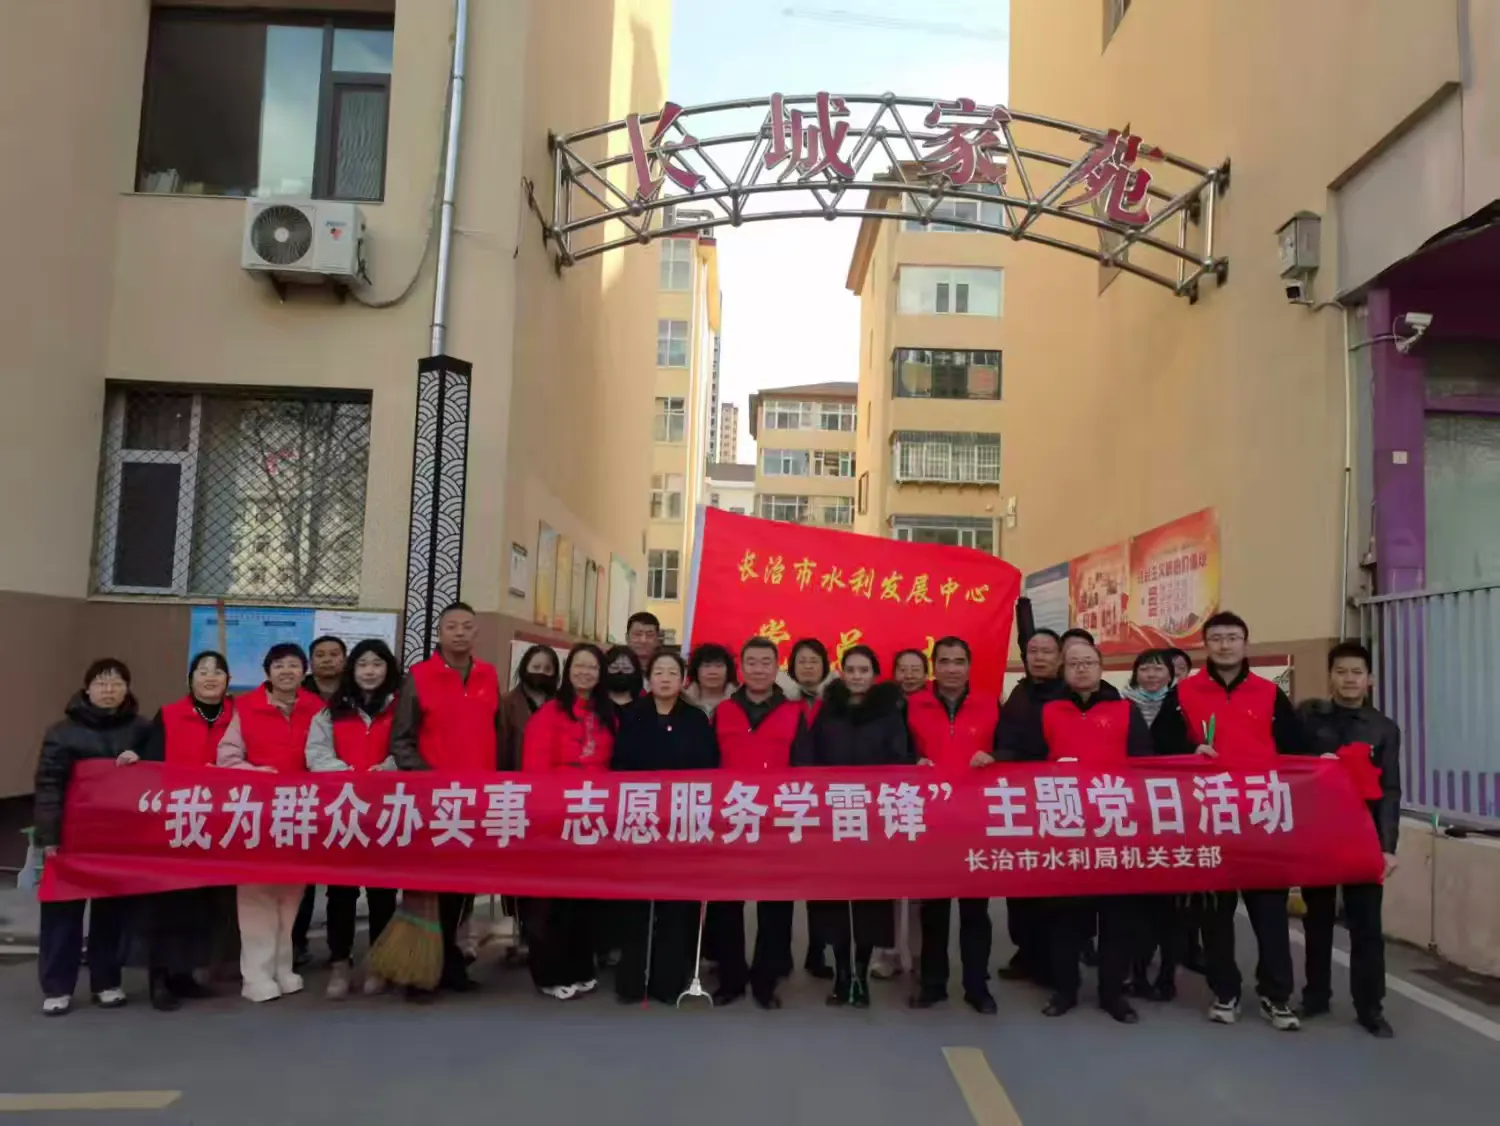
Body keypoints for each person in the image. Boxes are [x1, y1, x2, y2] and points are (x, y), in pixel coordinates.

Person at [1152, 611, 1312, 1030]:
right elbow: (1158, 747)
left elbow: (1297, 748)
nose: (1225, 645)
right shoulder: (1184, 693)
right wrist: (1189, 751)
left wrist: (1326, 764)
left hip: (1262, 819)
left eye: (1233, 637)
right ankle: (1225, 991)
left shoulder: (1269, 693)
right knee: (1215, 917)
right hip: (1210, 819)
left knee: (1270, 915)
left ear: (1245, 643)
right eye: (1217, 638)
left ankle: (1276, 995)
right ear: (1206, 645)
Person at [1010, 639, 1155, 1023]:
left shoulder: (1124, 710)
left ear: (1101, 667)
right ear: (1063, 668)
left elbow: (1146, 764)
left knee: (1116, 919)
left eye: (1088, 662)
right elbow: (1026, 764)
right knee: (1065, 919)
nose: (1081, 668)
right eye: (1073, 663)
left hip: (1115, 828)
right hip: (1066, 829)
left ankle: (1112, 994)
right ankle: (1065, 990)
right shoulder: (1047, 711)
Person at [389, 601, 502, 999]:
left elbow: (494, 732)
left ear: (476, 632)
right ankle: (418, 970)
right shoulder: (419, 677)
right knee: (426, 888)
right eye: (452, 626)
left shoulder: (489, 675)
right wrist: (429, 780)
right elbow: (401, 740)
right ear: (439, 633)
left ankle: (450, 963)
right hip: (433, 801)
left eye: (467, 626)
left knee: (462, 887)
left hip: (476, 802)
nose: (460, 633)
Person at [793, 646, 914, 1007]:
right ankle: (841, 973)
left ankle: (861, 976)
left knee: (870, 903)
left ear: (875, 675)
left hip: (874, 821)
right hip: (833, 819)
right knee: (832, 900)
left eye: (864, 670)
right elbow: (807, 759)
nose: (857, 676)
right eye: (851, 670)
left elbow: (901, 760)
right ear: (842, 673)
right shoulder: (827, 712)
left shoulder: (890, 714)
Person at [33, 659, 153, 1016]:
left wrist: (142, 759)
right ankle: (57, 987)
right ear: (87, 689)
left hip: (119, 838)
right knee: (62, 912)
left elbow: (160, 771)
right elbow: (49, 785)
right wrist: (49, 835)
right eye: (101, 683)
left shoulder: (142, 730)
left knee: (112, 913)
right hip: (72, 836)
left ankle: (107, 982)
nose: (109, 690)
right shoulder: (62, 732)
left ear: (127, 689)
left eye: (117, 683)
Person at [1295, 641, 1400, 1038]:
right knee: (1317, 920)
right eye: (1341, 671)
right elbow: (1287, 764)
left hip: (1364, 837)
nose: (1349, 679)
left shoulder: (1384, 729)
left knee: (1366, 926)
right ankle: (1315, 996)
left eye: (1357, 672)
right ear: (1331, 677)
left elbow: (1390, 790)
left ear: (1369, 679)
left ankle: (1370, 1006)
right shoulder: (1310, 720)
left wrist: (1387, 846)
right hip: (1318, 834)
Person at [216, 643, 324, 1002]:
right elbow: (227, 757)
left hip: (302, 813)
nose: (286, 671)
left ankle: (281, 967)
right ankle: (256, 976)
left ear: (304, 672)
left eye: (293, 665)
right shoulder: (245, 708)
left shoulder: (318, 708)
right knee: (256, 896)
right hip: (257, 813)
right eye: (279, 665)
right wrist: (255, 774)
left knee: (290, 895)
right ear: (267, 673)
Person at [613, 651, 720, 1002]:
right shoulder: (632, 716)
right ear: (649, 679)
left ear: (683, 679)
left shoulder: (696, 719)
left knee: (676, 905)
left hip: (681, 823)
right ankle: (633, 979)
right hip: (639, 820)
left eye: (672, 672)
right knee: (636, 906)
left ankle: (668, 978)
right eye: (658, 671)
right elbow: (618, 766)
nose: (665, 678)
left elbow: (708, 769)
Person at [133, 651, 234, 1011]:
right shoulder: (170, 714)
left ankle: (186, 974)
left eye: (217, 671)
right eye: (202, 671)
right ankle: (159, 979)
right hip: (175, 821)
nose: (210, 677)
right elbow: (151, 765)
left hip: (219, 823)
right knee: (168, 903)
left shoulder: (237, 716)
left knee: (203, 905)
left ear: (228, 680)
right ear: (190, 680)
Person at [709, 637, 807, 1008]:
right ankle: (731, 978)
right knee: (726, 903)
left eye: (766, 662)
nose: (759, 669)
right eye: (751, 662)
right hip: (731, 816)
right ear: (741, 667)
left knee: (774, 904)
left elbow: (805, 768)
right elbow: (709, 763)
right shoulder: (723, 711)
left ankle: (767, 979)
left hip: (778, 819)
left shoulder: (795, 712)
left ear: (776, 666)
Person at [906, 636, 1000, 1014]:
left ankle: (977, 986)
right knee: (934, 910)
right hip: (932, 820)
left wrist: (995, 756)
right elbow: (898, 748)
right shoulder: (913, 704)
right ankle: (933, 984)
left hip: (977, 819)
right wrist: (912, 761)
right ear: (934, 666)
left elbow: (1012, 747)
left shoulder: (990, 704)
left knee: (976, 911)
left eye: (959, 662)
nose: (951, 669)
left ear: (969, 666)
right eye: (944, 661)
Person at [303, 639, 401, 999]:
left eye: (377, 664)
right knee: (341, 892)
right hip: (343, 812)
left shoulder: (400, 708)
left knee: (382, 892)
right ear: (352, 670)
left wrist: (387, 769)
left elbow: (409, 746)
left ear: (388, 669)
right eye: (363, 664)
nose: (370, 671)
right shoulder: (332, 711)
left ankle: (378, 962)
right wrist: (349, 775)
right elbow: (316, 753)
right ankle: (340, 963)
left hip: (387, 812)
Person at [522, 643, 615, 999]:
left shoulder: (606, 714)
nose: (585, 673)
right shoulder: (549, 713)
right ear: (568, 670)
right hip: (556, 814)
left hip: (594, 815)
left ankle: (580, 967)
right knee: (553, 899)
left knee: (584, 897)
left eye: (592, 667)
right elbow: (535, 768)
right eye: (579, 666)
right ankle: (550, 973)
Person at [994, 629, 1064, 986]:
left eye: (1047, 651)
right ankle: (1026, 952)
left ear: (1060, 657)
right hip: (1021, 803)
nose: (1039, 657)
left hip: (1060, 803)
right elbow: (1005, 739)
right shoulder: (1020, 694)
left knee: (1053, 887)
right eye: (1033, 651)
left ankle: (1054, 961)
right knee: (1019, 885)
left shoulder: (1070, 694)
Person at [1119, 649, 1181, 1001]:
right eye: (1145, 669)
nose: (1152, 675)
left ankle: (1168, 975)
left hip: (1173, 816)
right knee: (1135, 904)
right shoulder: (1120, 706)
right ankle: (1137, 971)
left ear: (1170, 674)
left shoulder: (1182, 706)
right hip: (1132, 814)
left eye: (1159, 669)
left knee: (1169, 906)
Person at [779, 636, 835, 978]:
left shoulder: (837, 702)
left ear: (825, 666)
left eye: (814, 660)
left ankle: (818, 952)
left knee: (821, 885)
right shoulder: (781, 701)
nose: (809, 666)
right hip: (788, 800)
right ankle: (780, 955)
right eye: (802, 661)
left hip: (827, 802)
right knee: (783, 883)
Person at [292, 634, 348, 967]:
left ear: (344, 659)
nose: (328, 659)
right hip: (304, 794)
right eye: (321, 655)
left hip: (348, 795)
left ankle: (339, 950)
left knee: (342, 877)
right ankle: (296, 942)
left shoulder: (354, 694)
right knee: (304, 876)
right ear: (311, 663)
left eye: (334, 654)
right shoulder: (297, 695)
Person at [501, 645, 560, 770]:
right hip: (516, 776)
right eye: (536, 667)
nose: (541, 672)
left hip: (551, 776)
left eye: (548, 669)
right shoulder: (506, 703)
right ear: (525, 668)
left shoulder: (561, 706)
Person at [683, 643, 736, 717]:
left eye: (719, 666)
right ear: (696, 670)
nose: (712, 672)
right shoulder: (681, 703)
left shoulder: (741, 702)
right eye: (706, 666)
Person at [626, 612, 662, 684]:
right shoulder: (614, 667)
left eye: (650, 635)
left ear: (658, 639)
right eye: (637, 634)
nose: (643, 640)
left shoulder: (667, 668)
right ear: (627, 638)